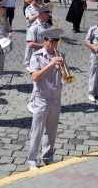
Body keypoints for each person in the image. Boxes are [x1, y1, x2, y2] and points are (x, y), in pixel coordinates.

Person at [27, 27, 66, 170]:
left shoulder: (61, 55)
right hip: (42, 98)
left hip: (56, 97)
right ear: (45, 41)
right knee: (37, 130)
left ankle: (48, 156)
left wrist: (63, 65)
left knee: (52, 130)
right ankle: (32, 159)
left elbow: (65, 77)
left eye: (57, 41)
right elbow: (35, 76)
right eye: (52, 41)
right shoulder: (37, 56)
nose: (55, 44)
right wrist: (50, 64)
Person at [26, 3, 53, 113]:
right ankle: (31, 103)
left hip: (47, 57)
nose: (49, 15)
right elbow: (31, 44)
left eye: (49, 13)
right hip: (37, 57)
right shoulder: (34, 27)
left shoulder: (47, 26)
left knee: (43, 82)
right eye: (47, 13)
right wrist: (45, 46)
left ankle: (38, 101)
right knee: (37, 84)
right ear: (40, 14)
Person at [24, 0, 42, 71]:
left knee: (38, 44)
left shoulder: (40, 7)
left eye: (38, 0)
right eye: (36, 0)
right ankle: (27, 63)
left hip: (39, 28)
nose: (37, 2)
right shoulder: (28, 8)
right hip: (31, 28)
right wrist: (38, 15)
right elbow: (30, 18)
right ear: (32, 0)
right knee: (29, 46)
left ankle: (37, 61)